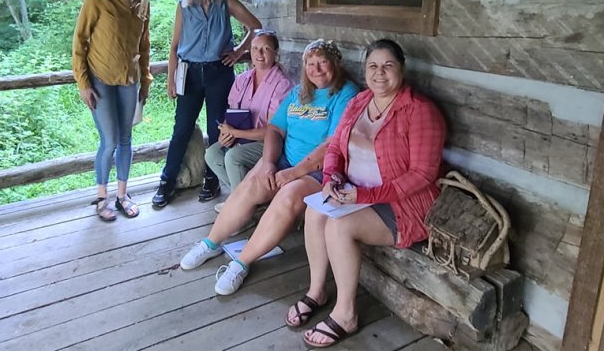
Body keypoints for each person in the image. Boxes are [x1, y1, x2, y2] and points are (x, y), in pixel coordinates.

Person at [290, 39, 446, 348]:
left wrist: (363, 196)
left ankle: (346, 314)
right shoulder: (359, 102)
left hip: (402, 204)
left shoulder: (420, 111)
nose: (380, 73)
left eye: (388, 66)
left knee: (339, 225)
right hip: (353, 192)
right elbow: (335, 146)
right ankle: (317, 290)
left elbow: (423, 175)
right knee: (314, 211)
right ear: (365, 70)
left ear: (401, 69)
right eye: (373, 66)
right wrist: (332, 177)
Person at [177, 39, 358, 296]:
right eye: (310, 63)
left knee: (287, 196)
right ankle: (211, 243)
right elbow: (275, 128)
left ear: (335, 64)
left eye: (323, 62)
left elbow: (333, 144)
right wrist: (269, 163)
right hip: (285, 160)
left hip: (320, 171)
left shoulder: (345, 93)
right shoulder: (299, 92)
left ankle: (241, 262)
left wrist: (294, 173)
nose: (316, 69)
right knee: (252, 183)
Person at [152, 0, 262, 208]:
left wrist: (237, 53)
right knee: (181, 129)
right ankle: (167, 181)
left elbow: (255, 26)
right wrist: (170, 79)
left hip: (219, 73)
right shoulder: (183, 6)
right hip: (189, 74)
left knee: (217, 130)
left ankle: (211, 179)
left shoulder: (227, 3)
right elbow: (174, 45)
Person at [71, 0, 152, 222]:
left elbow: (144, 44)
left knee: (127, 139)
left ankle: (122, 195)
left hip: (129, 80)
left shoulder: (143, 1)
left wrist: (146, 80)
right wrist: (83, 83)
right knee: (110, 140)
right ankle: (101, 197)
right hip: (100, 79)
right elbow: (80, 40)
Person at [204, 28, 294, 211]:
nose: (259, 54)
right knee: (212, 154)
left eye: (266, 49)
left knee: (234, 157)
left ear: (276, 53)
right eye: (255, 49)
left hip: (270, 143)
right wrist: (226, 134)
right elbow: (232, 115)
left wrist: (237, 133)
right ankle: (247, 198)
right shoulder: (242, 79)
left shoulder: (282, 84)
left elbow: (274, 130)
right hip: (242, 137)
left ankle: (240, 211)